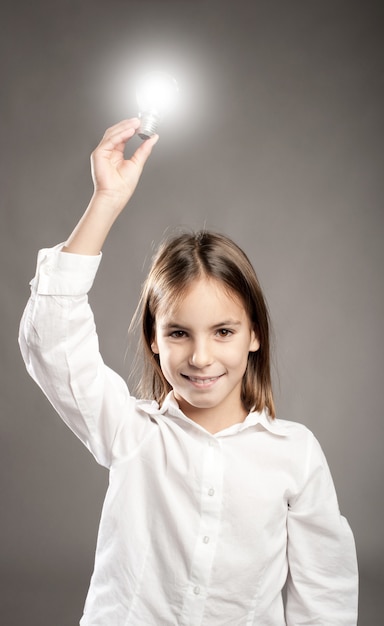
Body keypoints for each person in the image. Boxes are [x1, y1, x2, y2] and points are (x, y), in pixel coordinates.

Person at [19, 118, 358, 625]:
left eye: (223, 332)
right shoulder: (130, 433)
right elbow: (51, 339)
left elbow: (324, 593)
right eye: (179, 333)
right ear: (154, 341)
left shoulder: (296, 455)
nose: (201, 358)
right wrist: (105, 202)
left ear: (254, 335)